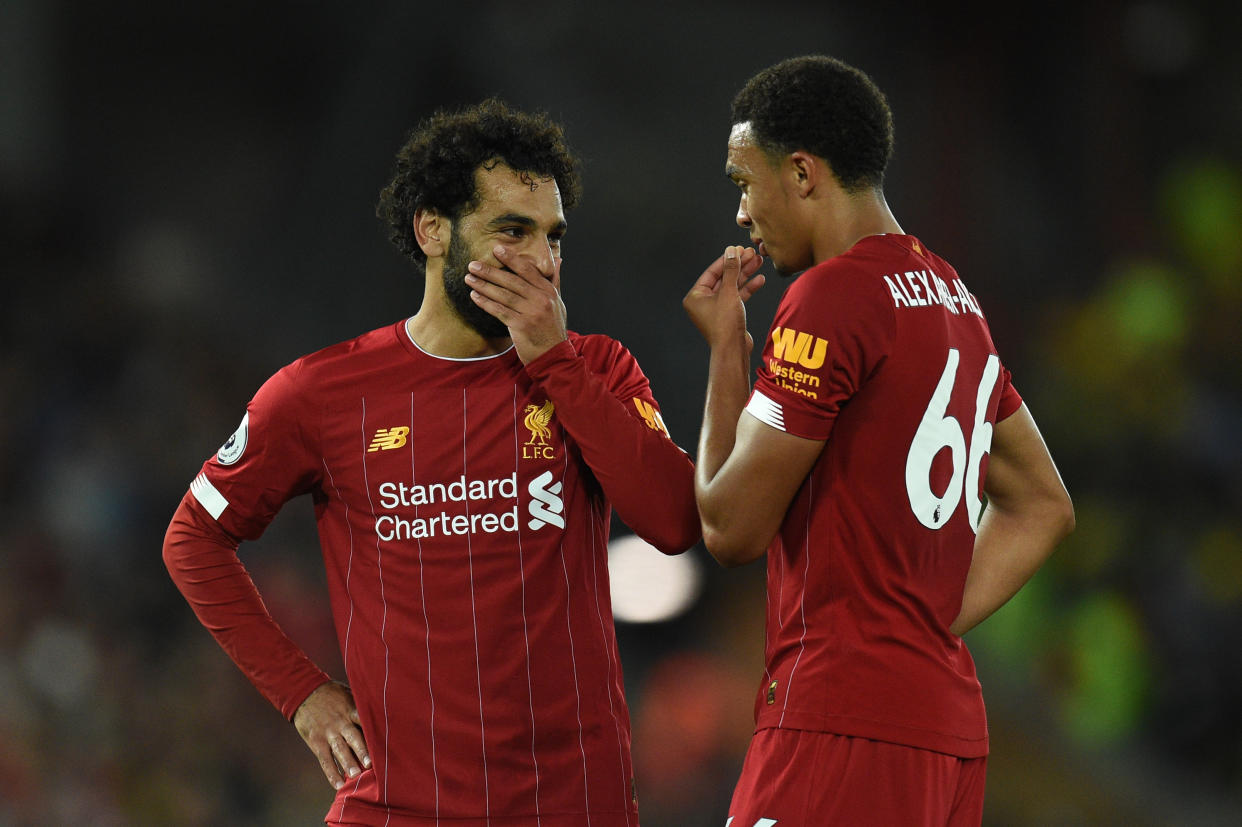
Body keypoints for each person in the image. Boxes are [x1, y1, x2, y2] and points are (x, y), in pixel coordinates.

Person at [163, 98, 702, 827]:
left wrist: (556, 363)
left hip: (571, 805)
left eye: (553, 237)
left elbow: (673, 521)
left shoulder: (597, 368)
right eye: (512, 230)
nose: (543, 261)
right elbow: (194, 537)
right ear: (432, 230)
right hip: (399, 807)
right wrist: (302, 693)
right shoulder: (321, 394)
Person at [683, 56, 1075, 826]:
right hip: (946, 732)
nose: (740, 213)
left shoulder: (835, 295)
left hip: (843, 722)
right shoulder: (956, 299)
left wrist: (727, 349)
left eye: (742, 181)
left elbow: (728, 526)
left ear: (801, 172)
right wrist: (922, 620)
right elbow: (1043, 503)